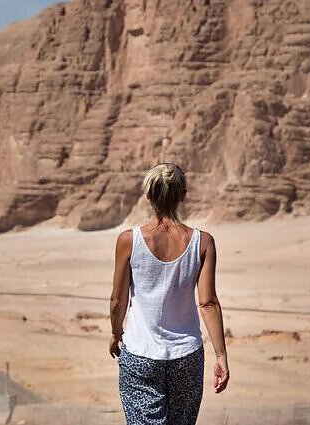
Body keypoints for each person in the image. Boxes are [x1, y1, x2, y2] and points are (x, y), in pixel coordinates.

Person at [110, 163, 229, 424]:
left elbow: (118, 300)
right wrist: (221, 355)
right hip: (186, 357)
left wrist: (116, 333)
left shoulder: (128, 240)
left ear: (148, 196)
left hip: (140, 353)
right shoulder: (203, 242)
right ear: (183, 194)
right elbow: (208, 303)